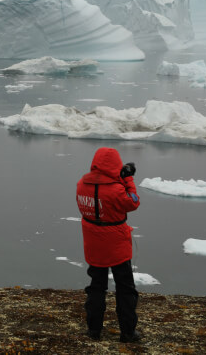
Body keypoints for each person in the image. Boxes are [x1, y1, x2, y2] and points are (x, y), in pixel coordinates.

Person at [75, 147, 141, 343]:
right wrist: (128, 178)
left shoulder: (81, 184)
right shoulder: (117, 189)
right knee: (125, 289)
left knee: (96, 287)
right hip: (117, 245)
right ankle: (127, 333)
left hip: (94, 242)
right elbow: (133, 202)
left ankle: (94, 330)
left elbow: (99, 196)